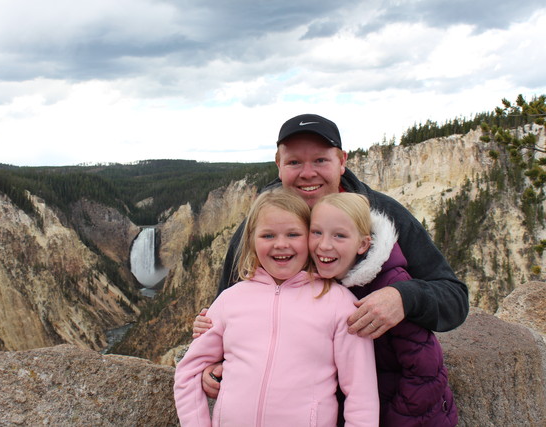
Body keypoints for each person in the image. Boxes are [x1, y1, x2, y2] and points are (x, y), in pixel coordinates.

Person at [194, 113, 469, 399]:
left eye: (320, 160)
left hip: (375, 401)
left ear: (342, 161)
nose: (307, 173)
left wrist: (402, 297)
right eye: (294, 162)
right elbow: (227, 307)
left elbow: (455, 298)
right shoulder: (260, 226)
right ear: (279, 165)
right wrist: (212, 362)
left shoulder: (383, 217)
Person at [174, 188, 379, 427]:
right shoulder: (230, 300)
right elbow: (188, 371)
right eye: (268, 236)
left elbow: (361, 393)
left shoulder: (339, 303)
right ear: (252, 240)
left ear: (310, 238)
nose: (281, 244)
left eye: (293, 234)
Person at [310, 192, 458, 426]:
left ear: (362, 244)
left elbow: (425, 371)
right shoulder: (321, 282)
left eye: (339, 235)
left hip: (408, 415)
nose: (324, 245)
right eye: (316, 232)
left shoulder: (390, 286)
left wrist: (393, 421)